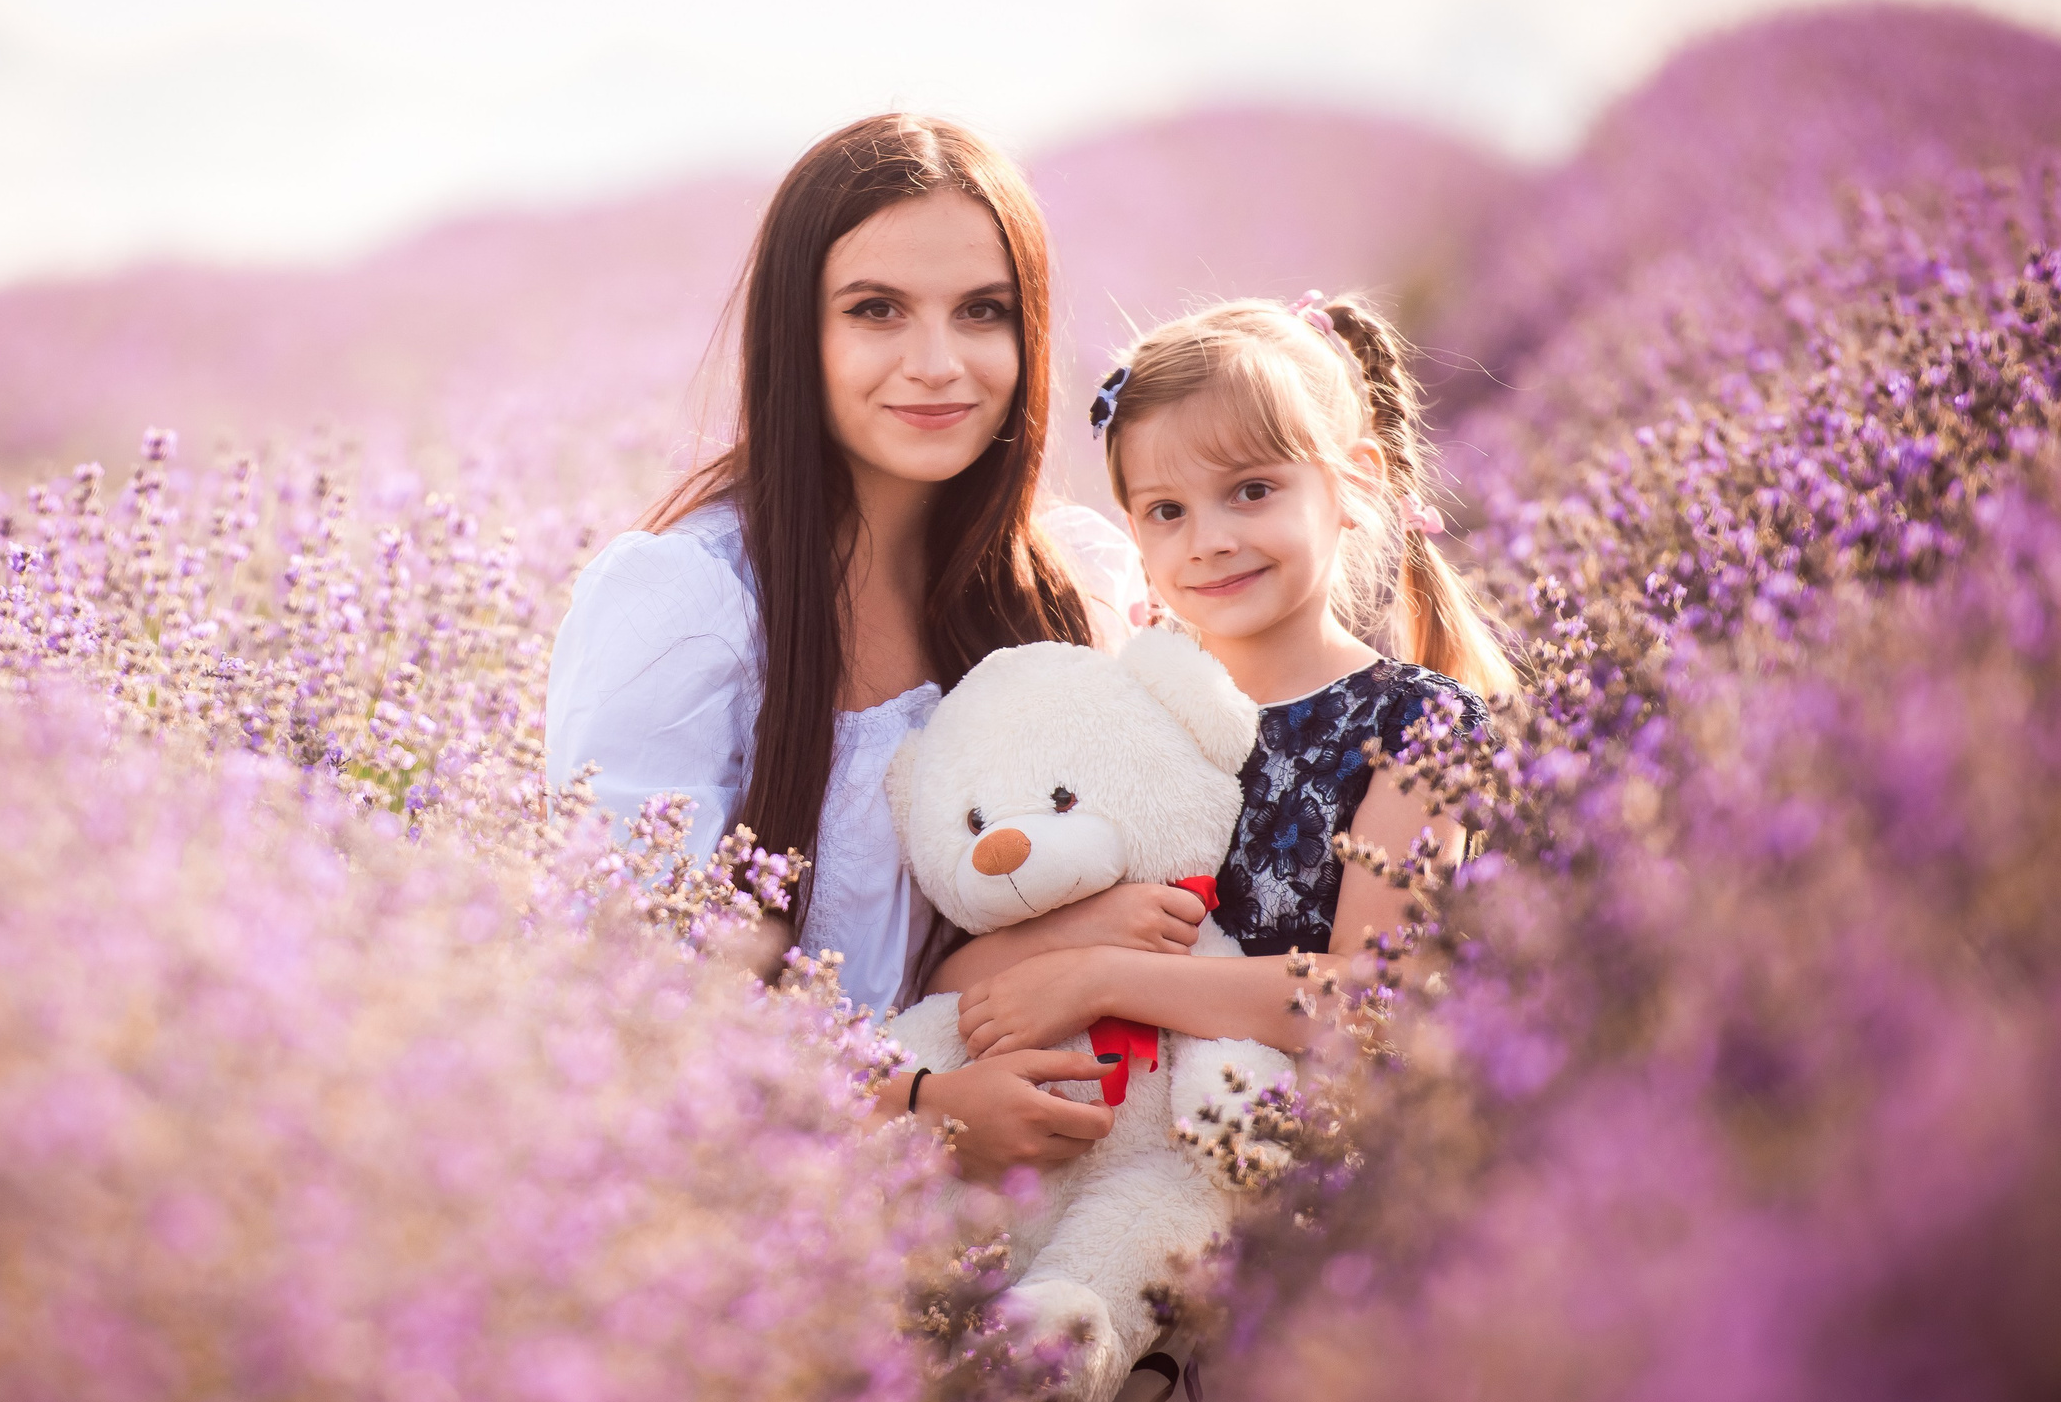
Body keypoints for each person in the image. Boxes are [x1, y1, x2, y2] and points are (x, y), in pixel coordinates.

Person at [543, 114, 1148, 1181]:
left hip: (1043, 1204)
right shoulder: (688, 604)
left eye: (982, 313)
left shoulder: (1070, 592)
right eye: (875, 311)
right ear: (796, 334)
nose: (936, 363)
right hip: (748, 1214)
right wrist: (917, 1112)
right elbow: (621, 1006)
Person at [929, 290, 1512, 1068]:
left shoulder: (1415, 727)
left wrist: (1103, 978)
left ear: (1357, 485)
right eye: (1168, 510)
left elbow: (1374, 997)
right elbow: (952, 978)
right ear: (1132, 531)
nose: (1208, 541)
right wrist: (1080, 934)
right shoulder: (1116, 709)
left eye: (1252, 491)